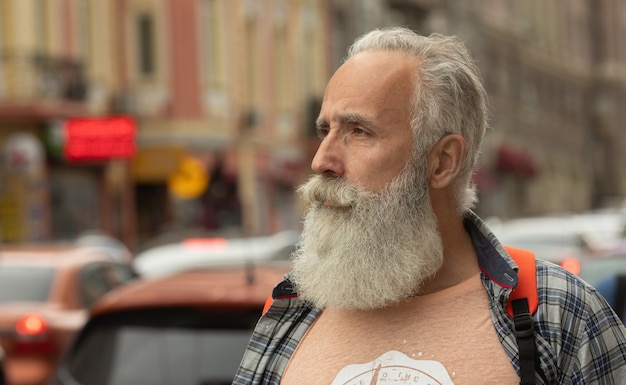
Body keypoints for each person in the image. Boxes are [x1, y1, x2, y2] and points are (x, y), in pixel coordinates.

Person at [233, 27, 626, 385]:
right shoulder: (289, 311)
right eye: (325, 130)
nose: (322, 160)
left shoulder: (560, 315)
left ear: (442, 162)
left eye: (358, 132)